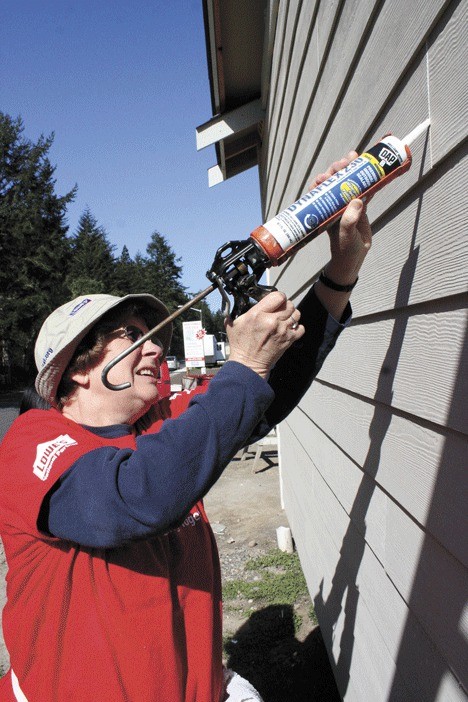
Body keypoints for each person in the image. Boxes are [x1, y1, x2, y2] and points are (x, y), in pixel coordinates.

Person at [0, 154, 372, 702]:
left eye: (153, 333)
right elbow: (139, 495)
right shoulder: (33, 442)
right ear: (78, 367)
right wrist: (243, 369)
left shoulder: (161, 427)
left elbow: (267, 391)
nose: (155, 346)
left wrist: (340, 270)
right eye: (130, 335)